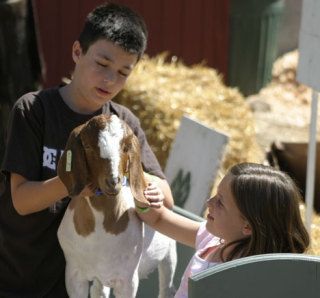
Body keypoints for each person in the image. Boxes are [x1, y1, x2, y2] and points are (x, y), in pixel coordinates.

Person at [0, 3, 173, 297]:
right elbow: (21, 200)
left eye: (123, 72)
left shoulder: (124, 124)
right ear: (78, 52)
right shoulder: (33, 110)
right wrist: (76, 179)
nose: (110, 80)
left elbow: (165, 195)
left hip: (88, 277)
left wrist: (149, 188)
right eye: (102, 65)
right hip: (23, 274)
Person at [141, 162, 310, 298]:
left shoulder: (246, 279)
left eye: (220, 202)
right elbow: (158, 219)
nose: (209, 202)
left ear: (248, 226)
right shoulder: (212, 240)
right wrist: (147, 191)